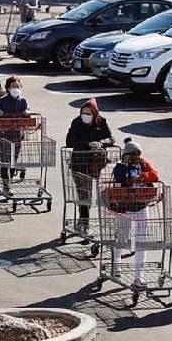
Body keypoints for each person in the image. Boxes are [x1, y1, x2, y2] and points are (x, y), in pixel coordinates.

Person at [110, 137, 160, 287]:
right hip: (125, 207)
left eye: (138, 154)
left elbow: (155, 175)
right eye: (133, 154)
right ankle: (116, 264)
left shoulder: (144, 164)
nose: (136, 157)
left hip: (141, 206)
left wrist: (140, 176)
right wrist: (125, 164)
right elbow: (119, 177)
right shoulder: (120, 166)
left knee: (141, 242)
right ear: (126, 155)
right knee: (122, 238)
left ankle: (139, 276)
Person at [65, 97, 116, 237]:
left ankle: (82, 221)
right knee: (84, 193)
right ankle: (85, 224)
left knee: (88, 194)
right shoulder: (76, 122)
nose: (85, 116)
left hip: (95, 164)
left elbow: (111, 139)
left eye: (89, 113)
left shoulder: (102, 122)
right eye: (84, 113)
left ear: (95, 113)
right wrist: (88, 144)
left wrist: (100, 143)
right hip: (79, 163)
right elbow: (70, 140)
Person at [0, 75, 29, 187]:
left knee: (14, 158)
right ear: (8, 89)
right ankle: (6, 184)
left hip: (17, 134)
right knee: (5, 160)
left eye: (18, 86)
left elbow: (26, 114)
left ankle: (11, 177)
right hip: (3, 134)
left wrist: (27, 114)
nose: (16, 89)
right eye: (13, 87)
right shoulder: (1, 101)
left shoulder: (23, 101)